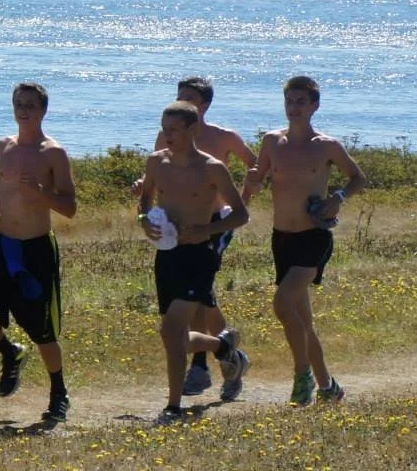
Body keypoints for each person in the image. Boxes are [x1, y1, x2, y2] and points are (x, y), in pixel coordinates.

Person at [243, 75, 369, 405]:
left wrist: (338, 197)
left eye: (301, 102)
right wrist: (250, 187)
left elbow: (358, 178)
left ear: (314, 106)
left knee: (282, 304)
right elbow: (257, 179)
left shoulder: (327, 146)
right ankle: (329, 387)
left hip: (314, 236)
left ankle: (303, 377)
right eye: (289, 101)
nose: (294, 107)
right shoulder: (272, 141)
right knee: (303, 321)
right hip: (281, 237)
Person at [0, 82, 77, 425]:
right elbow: (2, 190)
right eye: (18, 104)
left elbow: (70, 207)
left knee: (42, 331)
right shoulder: (5, 146)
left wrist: (41, 192)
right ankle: (10, 353)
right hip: (4, 243)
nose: (23, 110)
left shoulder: (53, 152)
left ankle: (59, 393)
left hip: (36, 249)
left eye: (30, 105)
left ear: (43, 110)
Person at [137, 101, 251, 423]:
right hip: (167, 254)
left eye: (174, 129)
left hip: (200, 255)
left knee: (171, 328)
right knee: (173, 336)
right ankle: (223, 348)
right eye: (164, 128)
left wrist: (207, 229)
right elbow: (145, 198)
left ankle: (173, 407)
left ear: (192, 129)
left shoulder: (212, 167)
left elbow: (241, 214)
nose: (167, 134)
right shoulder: (156, 162)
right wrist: (144, 219)